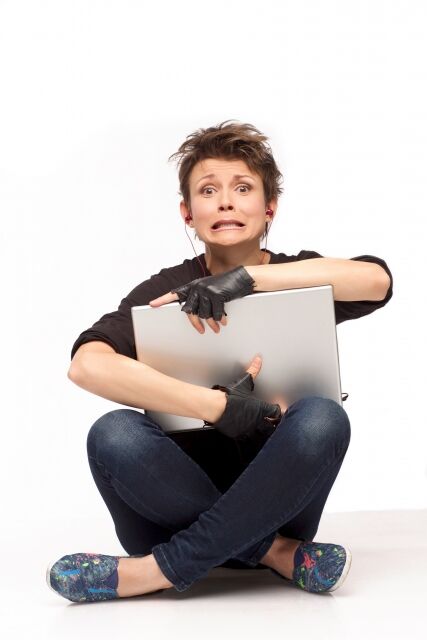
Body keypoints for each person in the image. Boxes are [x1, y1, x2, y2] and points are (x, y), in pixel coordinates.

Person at [46, 120, 393, 603]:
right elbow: (86, 365)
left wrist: (248, 279)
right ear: (188, 214)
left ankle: (154, 572)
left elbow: (376, 280)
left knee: (324, 418)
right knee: (113, 432)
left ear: (269, 207)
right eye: (208, 191)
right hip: (167, 512)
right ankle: (273, 552)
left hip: (281, 503)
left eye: (243, 188)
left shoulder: (299, 276)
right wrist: (217, 408)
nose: (226, 202)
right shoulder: (165, 292)